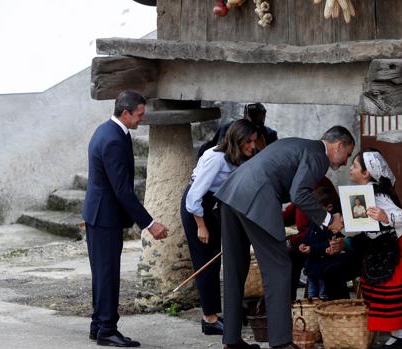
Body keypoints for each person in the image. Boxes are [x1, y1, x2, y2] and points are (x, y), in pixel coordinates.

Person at [215, 126, 355, 349]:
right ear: (338, 145)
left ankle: (231, 340)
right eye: (347, 154)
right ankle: (281, 342)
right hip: (256, 198)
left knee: (234, 269)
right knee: (279, 269)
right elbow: (299, 193)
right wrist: (329, 220)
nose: (345, 162)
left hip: (231, 194)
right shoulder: (319, 155)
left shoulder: (298, 144)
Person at [82, 90, 169, 348]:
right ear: (125, 113)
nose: (142, 119)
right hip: (104, 216)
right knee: (107, 274)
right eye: (139, 115)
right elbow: (123, 191)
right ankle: (107, 329)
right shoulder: (113, 140)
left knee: (102, 273)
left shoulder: (109, 131)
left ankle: (99, 324)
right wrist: (150, 224)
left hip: (100, 214)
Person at [347, 149, 402, 349]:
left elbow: (400, 216)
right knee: (398, 294)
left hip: (395, 247)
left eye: (355, 166)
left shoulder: (378, 194)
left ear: (366, 173)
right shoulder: (363, 194)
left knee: (396, 291)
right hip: (380, 247)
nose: (350, 169)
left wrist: (385, 217)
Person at [180, 120, 258, 336]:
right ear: (238, 140)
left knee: (215, 258)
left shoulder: (239, 156)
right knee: (205, 261)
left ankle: (214, 313)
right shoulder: (216, 158)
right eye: (249, 141)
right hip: (196, 209)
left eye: (254, 141)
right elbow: (194, 197)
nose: (253, 146)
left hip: (211, 205)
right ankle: (209, 319)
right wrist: (201, 226)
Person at [282, 176, 340, 300]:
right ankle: (293, 303)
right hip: (307, 240)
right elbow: (292, 210)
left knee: (291, 258)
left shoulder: (319, 184)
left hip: (321, 245)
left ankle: (291, 302)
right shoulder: (301, 185)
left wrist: (295, 242)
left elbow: (324, 232)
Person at [298, 186, 339, 300]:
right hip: (312, 264)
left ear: (329, 207)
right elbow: (309, 236)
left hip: (323, 264)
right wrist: (304, 244)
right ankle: (312, 311)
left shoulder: (332, 225)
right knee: (312, 293)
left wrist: (312, 248)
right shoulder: (314, 221)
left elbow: (329, 243)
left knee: (323, 293)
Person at [198, 102, 277, 157]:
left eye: (258, 116)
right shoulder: (229, 128)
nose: (252, 145)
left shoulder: (269, 134)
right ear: (245, 116)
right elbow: (220, 152)